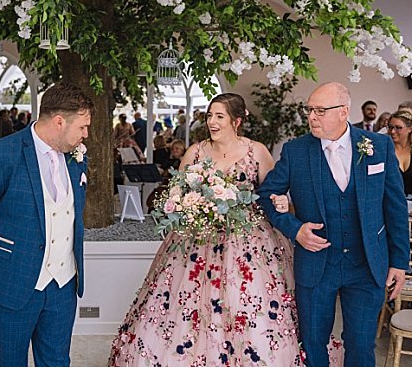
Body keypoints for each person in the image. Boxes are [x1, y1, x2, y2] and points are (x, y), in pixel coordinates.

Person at [109, 93, 304, 366]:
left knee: (243, 301)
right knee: (187, 304)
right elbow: (175, 195)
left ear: (237, 121)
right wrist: (189, 206)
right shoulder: (196, 152)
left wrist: (282, 202)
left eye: (219, 116)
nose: (212, 121)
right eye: (209, 115)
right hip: (198, 239)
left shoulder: (256, 151)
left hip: (248, 241)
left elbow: (272, 194)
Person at [256, 82, 409, 367]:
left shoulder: (379, 146)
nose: (312, 116)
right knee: (313, 346)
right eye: (309, 110)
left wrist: (399, 262)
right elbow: (266, 195)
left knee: (362, 347)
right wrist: (295, 229)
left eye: (320, 110)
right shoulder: (296, 151)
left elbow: (395, 208)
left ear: (344, 112)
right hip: (316, 266)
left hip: (367, 266)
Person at [0, 83, 91, 367]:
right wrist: (12, 248)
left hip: (62, 284)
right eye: (82, 127)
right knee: (11, 361)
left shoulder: (76, 158)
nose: (86, 135)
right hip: (12, 280)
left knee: (57, 361)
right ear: (59, 122)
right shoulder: (0, 154)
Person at [387, 111, 412, 198]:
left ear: (410, 129)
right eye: (390, 127)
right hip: (391, 202)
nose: (392, 131)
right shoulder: (384, 151)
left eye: (398, 128)